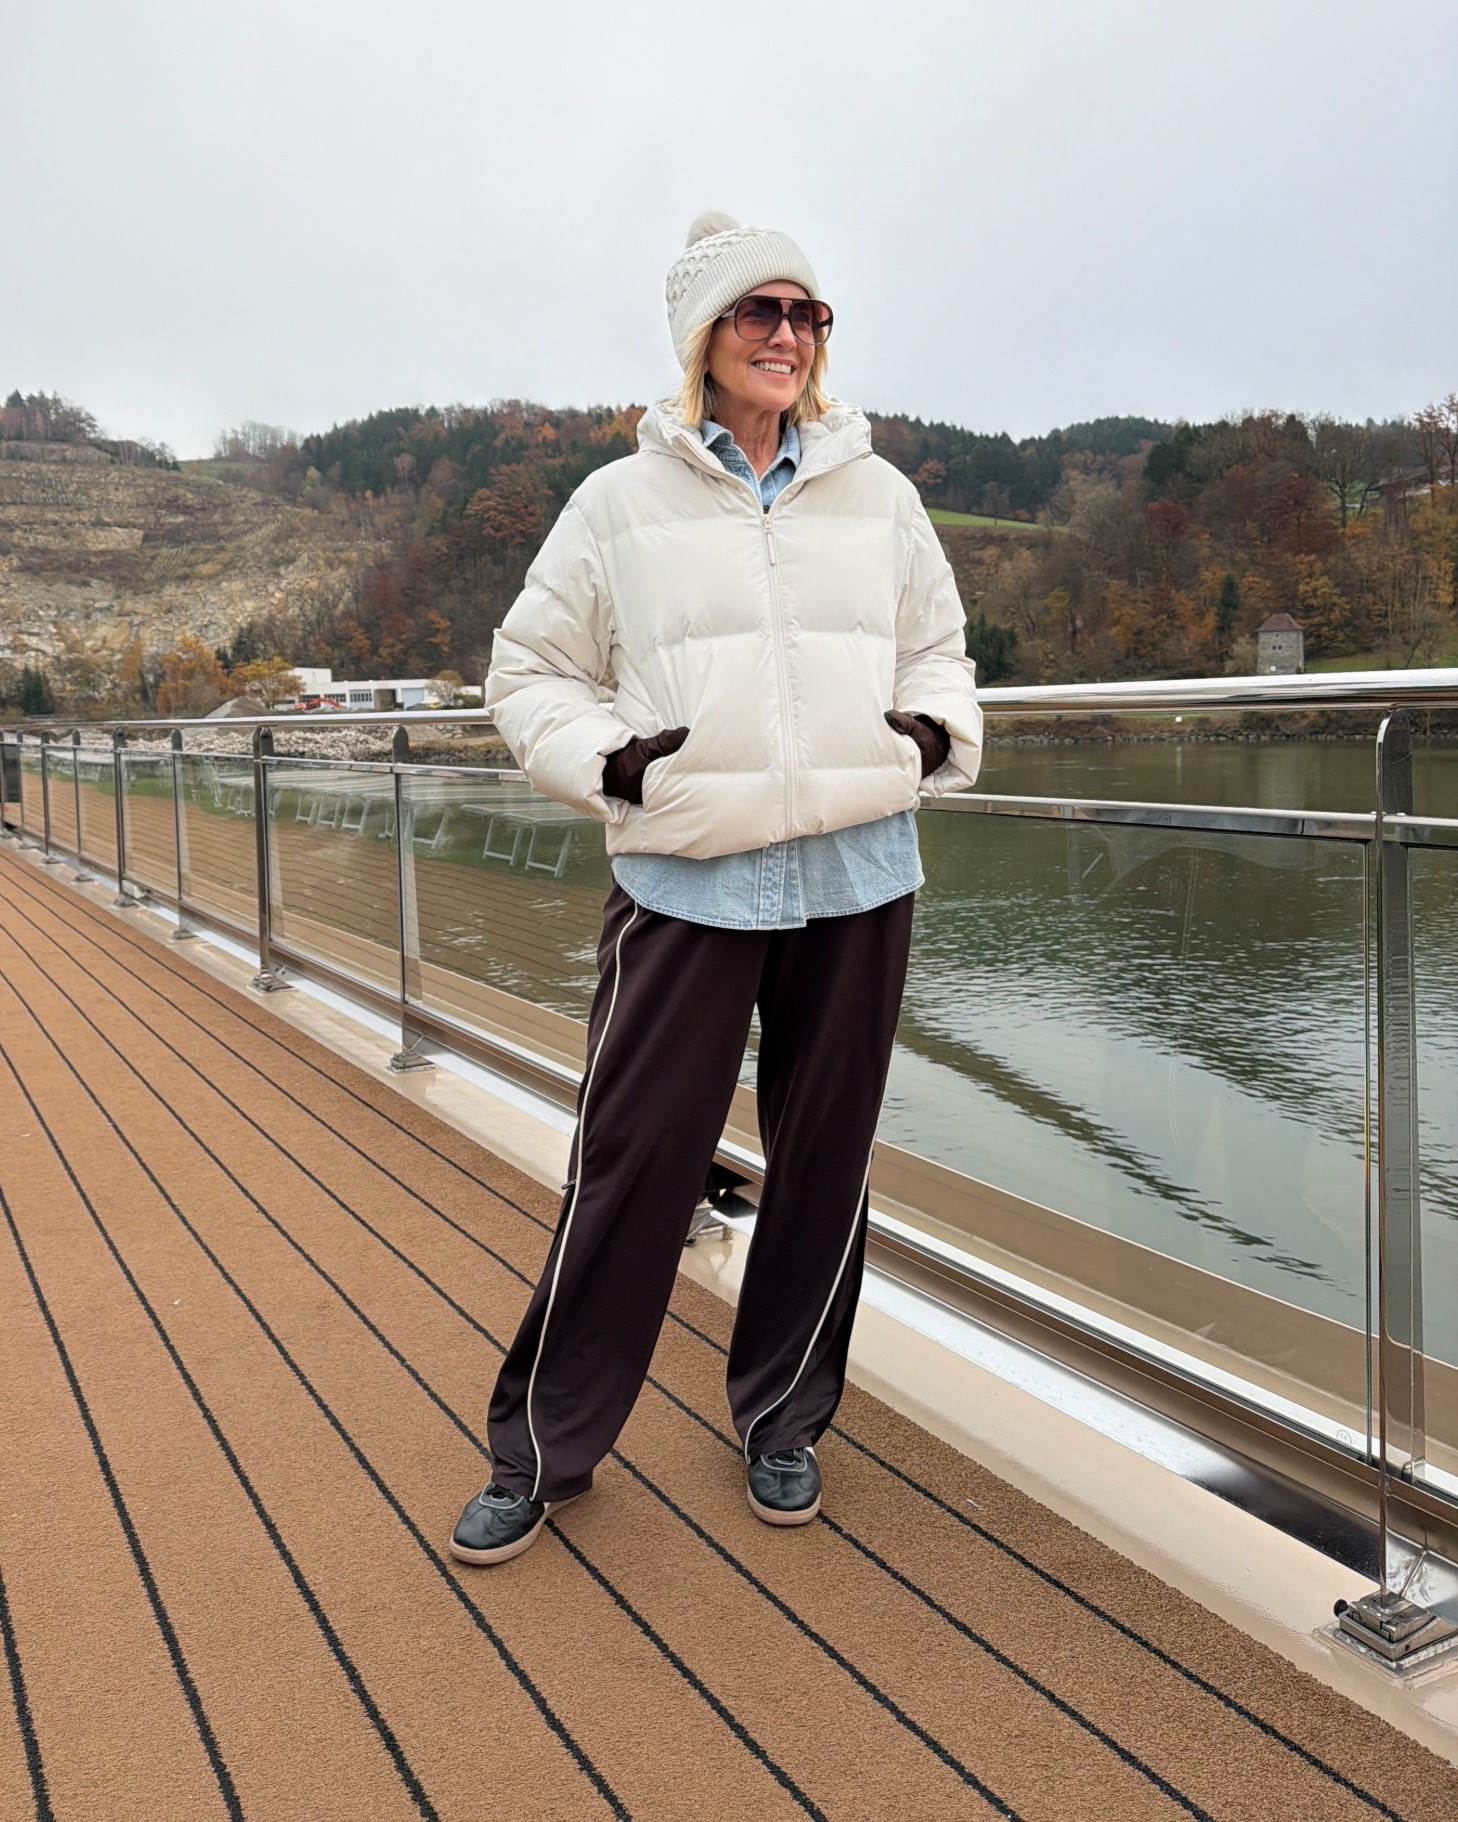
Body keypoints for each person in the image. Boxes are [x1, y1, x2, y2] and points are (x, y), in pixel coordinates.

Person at [450, 212, 982, 1565]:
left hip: (861, 867)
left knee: (826, 1160)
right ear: (705, 334)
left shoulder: (880, 493)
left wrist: (923, 737)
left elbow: (938, 647)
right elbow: (525, 675)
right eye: (761, 312)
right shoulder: (616, 503)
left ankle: (784, 1414)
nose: (787, 336)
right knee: (632, 1163)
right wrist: (610, 765)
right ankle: (543, 1447)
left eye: (808, 314)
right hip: (687, 875)